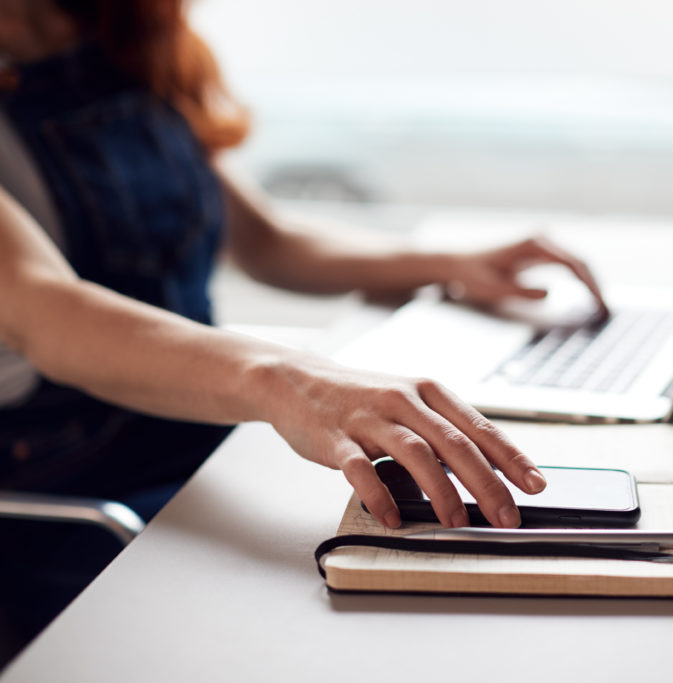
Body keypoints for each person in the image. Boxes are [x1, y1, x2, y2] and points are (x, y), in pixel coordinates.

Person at [0, 0, 606, 563]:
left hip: (209, 449)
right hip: (84, 498)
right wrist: (292, 383)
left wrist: (446, 263)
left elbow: (268, 241)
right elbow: (45, 313)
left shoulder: (122, 33)